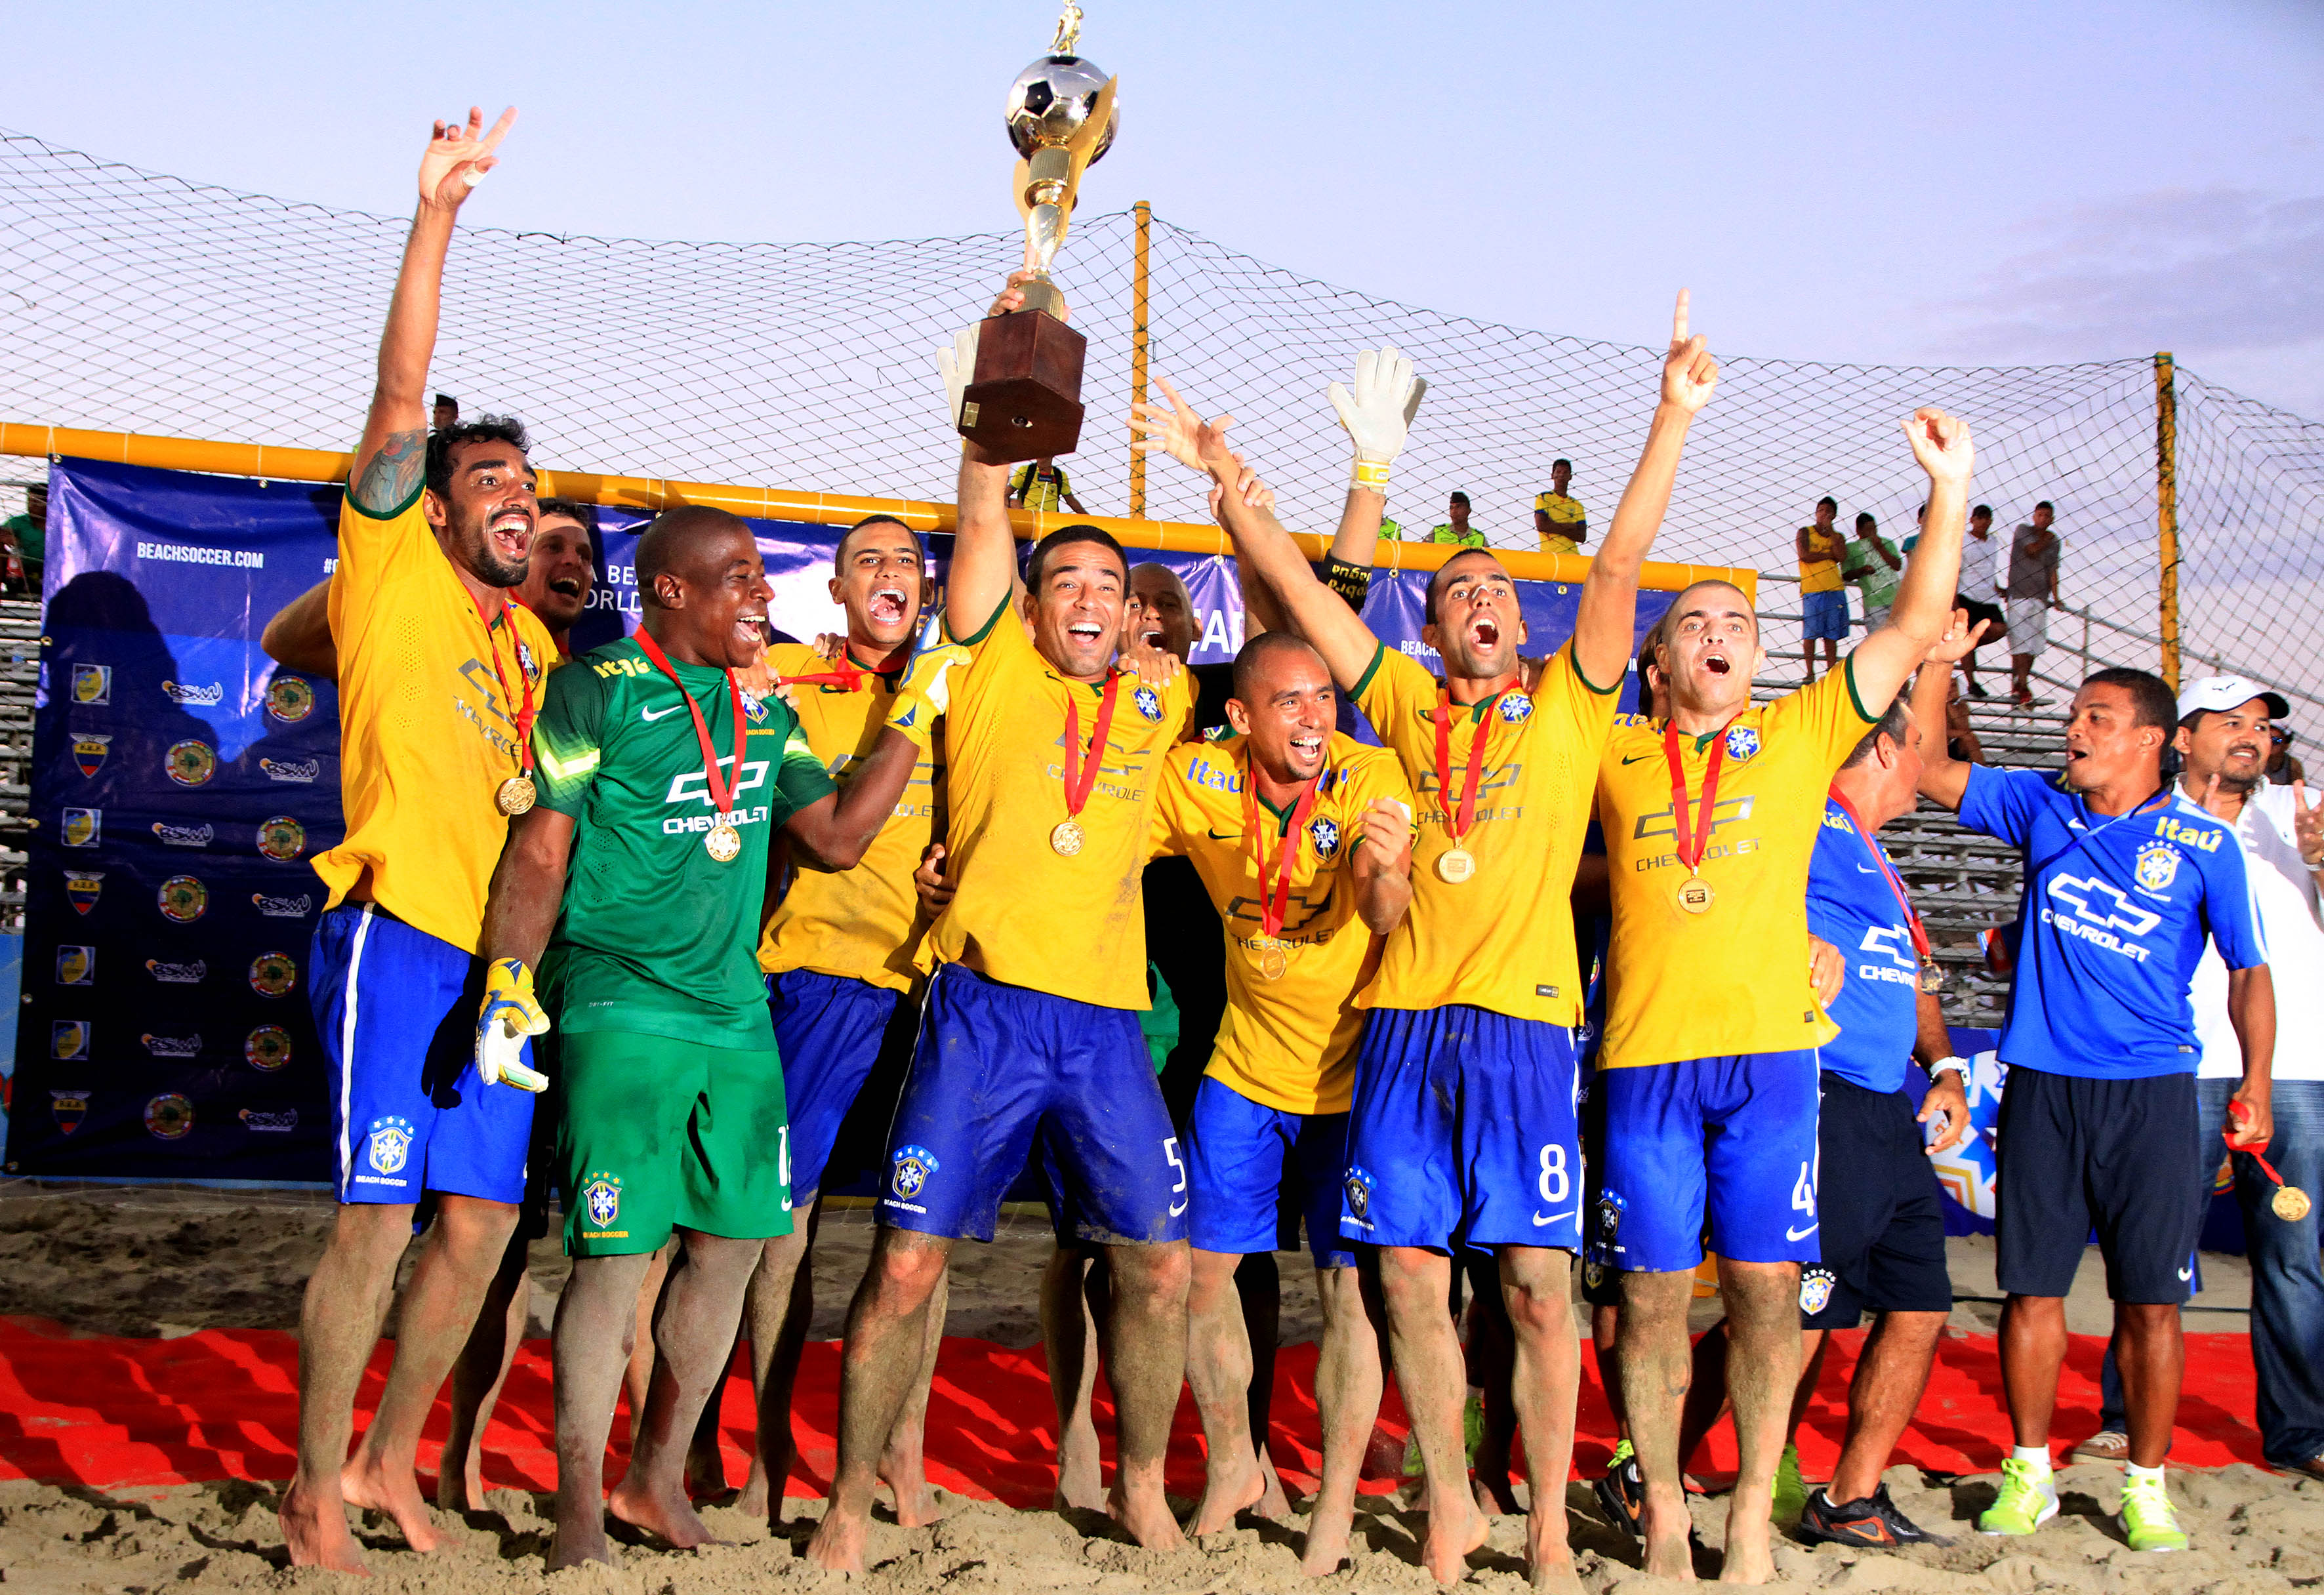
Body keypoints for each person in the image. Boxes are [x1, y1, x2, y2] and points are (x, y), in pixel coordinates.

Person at [1137, 294, 1719, 1588]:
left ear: (1522, 622)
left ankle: (1556, 1528)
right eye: (1457, 590)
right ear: (1433, 624)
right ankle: (1448, 1500)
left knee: (1534, 1291)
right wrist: (1227, 484)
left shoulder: (1570, 701)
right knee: (1402, 1274)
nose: (1480, 601)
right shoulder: (1397, 702)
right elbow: (1292, 591)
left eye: (1498, 588)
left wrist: (1668, 415)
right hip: (1397, 1031)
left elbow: (1617, 565)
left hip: (1517, 1031)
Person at [804, 272, 1200, 1574]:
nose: (1087, 600)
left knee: (1155, 1268)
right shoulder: (982, 669)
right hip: (977, 1014)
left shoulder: (1157, 705)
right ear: (1030, 606)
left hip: (1102, 1029)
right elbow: (982, 512)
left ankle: (1139, 1488)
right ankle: (853, 1506)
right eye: (1064, 582)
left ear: (1136, 617)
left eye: (1108, 586)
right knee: (907, 1268)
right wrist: (1003, 355)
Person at [478, 504, 942, 1568]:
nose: (763, 596)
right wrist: (510, 980)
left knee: (736, 1245)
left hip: (734, 1013)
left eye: (761, 578)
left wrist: (912, 714)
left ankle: (654, 1475)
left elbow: (832, 840)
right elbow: (542, 853)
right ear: (673, 592)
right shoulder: (594, 688)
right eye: (738, 578)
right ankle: (581, 1508)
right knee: (613, 1259)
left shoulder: (761, 707)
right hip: (618, 999)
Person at [1590, 405, 1973, 1583]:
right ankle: (1660, 1503)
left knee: (1768, 1297)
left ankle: (1751, 1506)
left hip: (1768, 1068)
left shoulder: (1800, 734)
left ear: (1758, 660)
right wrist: (1672, 419)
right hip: (1644, 1061)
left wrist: (1947, 493)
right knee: (1651, 1304)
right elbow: (1609, 577)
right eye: (1692, 622)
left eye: (1736, 624)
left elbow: (1912, 620)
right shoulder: (1605, 751)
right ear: (1657, 661)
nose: (1717, 633)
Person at [277, 108, 561, 1575]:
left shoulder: (530, 655)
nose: (518, 506)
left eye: (532, 493)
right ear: (438, 511)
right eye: (493, 490)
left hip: (499, 978)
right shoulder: (389, 567)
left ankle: (393, 1461)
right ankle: (311, 1484)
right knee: (378, 1225)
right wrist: (438, 213)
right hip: (396, 937)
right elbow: (400, 399)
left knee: (476, 1227)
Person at [1911, 640, 2273, 1552]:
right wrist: (1936, 665)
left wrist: (2256, 1081)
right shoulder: (2040, 806)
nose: (2072, 729)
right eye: (2073, 715)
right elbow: (1919, 763)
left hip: (2151, 1094)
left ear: (2149, 741)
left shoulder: (2202, 844)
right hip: (2041, 1089)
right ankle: (2027, 1471)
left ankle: (2145, 1486)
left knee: (2150, 1301)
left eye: (2095, 719)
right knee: (2030, 1290)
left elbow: (2246, 972)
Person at [1671, 692, 1974, 1546]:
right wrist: (1785, 944)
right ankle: (1648, 1462)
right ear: (1882, 752)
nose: (1932, 767)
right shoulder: (1799, 817)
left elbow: (1910, 976)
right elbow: (1720, 899)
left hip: (1886, 1108)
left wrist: (1944, 1069)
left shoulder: (1877, 858)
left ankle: (1848, 1497)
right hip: (1815, 1089)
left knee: (1918, 1305)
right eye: (1923, 748)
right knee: (1788, 1310)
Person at [1150, 629, 1416, 1571]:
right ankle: (1236, 1466)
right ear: (1239, 718)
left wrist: (1379, 869)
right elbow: (1103, 816)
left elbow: (1382, 909)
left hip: (1350, 1082)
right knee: (1200, 1276)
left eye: (1324, 698)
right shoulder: (1197, 779)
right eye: (1291, 702)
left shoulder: (1366, 774)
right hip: (1242, 1071)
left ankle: (1336, 1502)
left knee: (1346, 1287)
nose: (1315, 718)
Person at [735, 513, 947, 1527]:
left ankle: (898, 1455)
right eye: (868, 561)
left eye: (905, 561)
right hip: (817, 980)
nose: (888, 575)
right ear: (836, 586)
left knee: (922, 1233)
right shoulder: (790, 673)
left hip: (934, 988)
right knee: (784, 1229)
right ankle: (769, 1450)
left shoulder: (961, 687)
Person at [2077, 679, 2324, 1481]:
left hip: (2295, 1066)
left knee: (2293, 1257)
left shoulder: (2303, 813)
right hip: (2172, 1064)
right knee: (2152, 1253)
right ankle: (2125, 1420)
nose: (2252, 736)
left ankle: (2301, 1433)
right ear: (2180, 739)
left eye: (2262, 727)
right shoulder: (2139, 812)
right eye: (2232, 722)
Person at [260, 497, 598, 677]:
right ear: (514, 557)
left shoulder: (594, 679)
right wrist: (415, 552)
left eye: (584, 555)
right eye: (552, 547)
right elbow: (286, 642)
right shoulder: (438, 643)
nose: (573, 561)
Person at [2005, 503, 2060, 707]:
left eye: (2047, 516)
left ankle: (2020, 683)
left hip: (2040, 596)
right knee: (2020, 640)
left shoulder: (2055, 541)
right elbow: (2032, 551)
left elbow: (2053, 569)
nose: (2043, 519)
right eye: (2040, 515)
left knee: (2034, 644)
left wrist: (2056, 596)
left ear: (2052, 519)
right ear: (2034, 515)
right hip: (2019, 594)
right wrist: (2045, 538)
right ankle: (2023, 684)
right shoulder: (2023, 530)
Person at [1797, 497, 1847, 685]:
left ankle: (1831, 671)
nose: (1824, 514)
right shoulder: (1805, 532)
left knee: (1831, 635)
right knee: (1810, 633)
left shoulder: (1838, 536)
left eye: (1828, 511)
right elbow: (1805, 555)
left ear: (1834, 515)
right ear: (1816, 512)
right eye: (1821, 510)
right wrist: (1828, 555)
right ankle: (1809, 672)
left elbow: (1841, 556)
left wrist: (1831, 534)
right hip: (1812, 589)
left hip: (1834, 588)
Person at [1843, 510, 1902, 632]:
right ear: (1858, 531)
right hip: (1874, 602)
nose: (1873, 532)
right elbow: (1846, 575)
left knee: (1898, 636)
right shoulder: (1851, 548)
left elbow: (1897, 565)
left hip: (1896, 599)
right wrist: (1862, 570)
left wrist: (1879, 547)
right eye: (1868, 529)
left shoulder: (1887, 542)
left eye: (1874, 528)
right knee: (1878, 639)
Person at [1536, 459, 1587, 555]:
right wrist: (1569, 526)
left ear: (1570, 477)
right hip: (1549, 555)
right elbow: (1542, 525)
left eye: (1565, 472)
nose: (1561, 475)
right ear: (1552, 475)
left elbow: (1581, 537)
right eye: (1558, 472)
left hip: (1572, 555)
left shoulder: (1577, 505)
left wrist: (1553, 525)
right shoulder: (1544, 498)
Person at [1008, 455, 1088, 514]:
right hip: (1028, 517)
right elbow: (1005, 494)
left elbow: (1071, 501)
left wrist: (1088, 518)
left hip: (1051, 520)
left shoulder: (1060, 475)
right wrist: (1011, 502)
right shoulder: (1026, 471)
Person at [2, 483, 43, 593]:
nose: (31, 505)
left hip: (50, 570)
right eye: (30, 501)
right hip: (21, 572)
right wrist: (7, 538)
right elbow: (3, 533)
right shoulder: (20, 522)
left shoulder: (62, 524)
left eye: (37, 502)